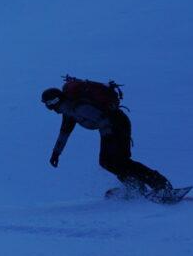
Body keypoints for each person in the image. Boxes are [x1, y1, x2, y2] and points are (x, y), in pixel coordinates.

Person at [42, 83, 173, 199]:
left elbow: (103, 119)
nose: (51, 107)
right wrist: (56, 153)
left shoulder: (77, 107)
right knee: (109, 162)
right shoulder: (69, 112)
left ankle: (160, 185)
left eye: (51, 103)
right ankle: (136, 187)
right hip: (111, 128)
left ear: (57, 100)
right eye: (48, 105)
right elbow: (64, 133)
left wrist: (109, 137)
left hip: (116, 125)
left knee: (115, 161)